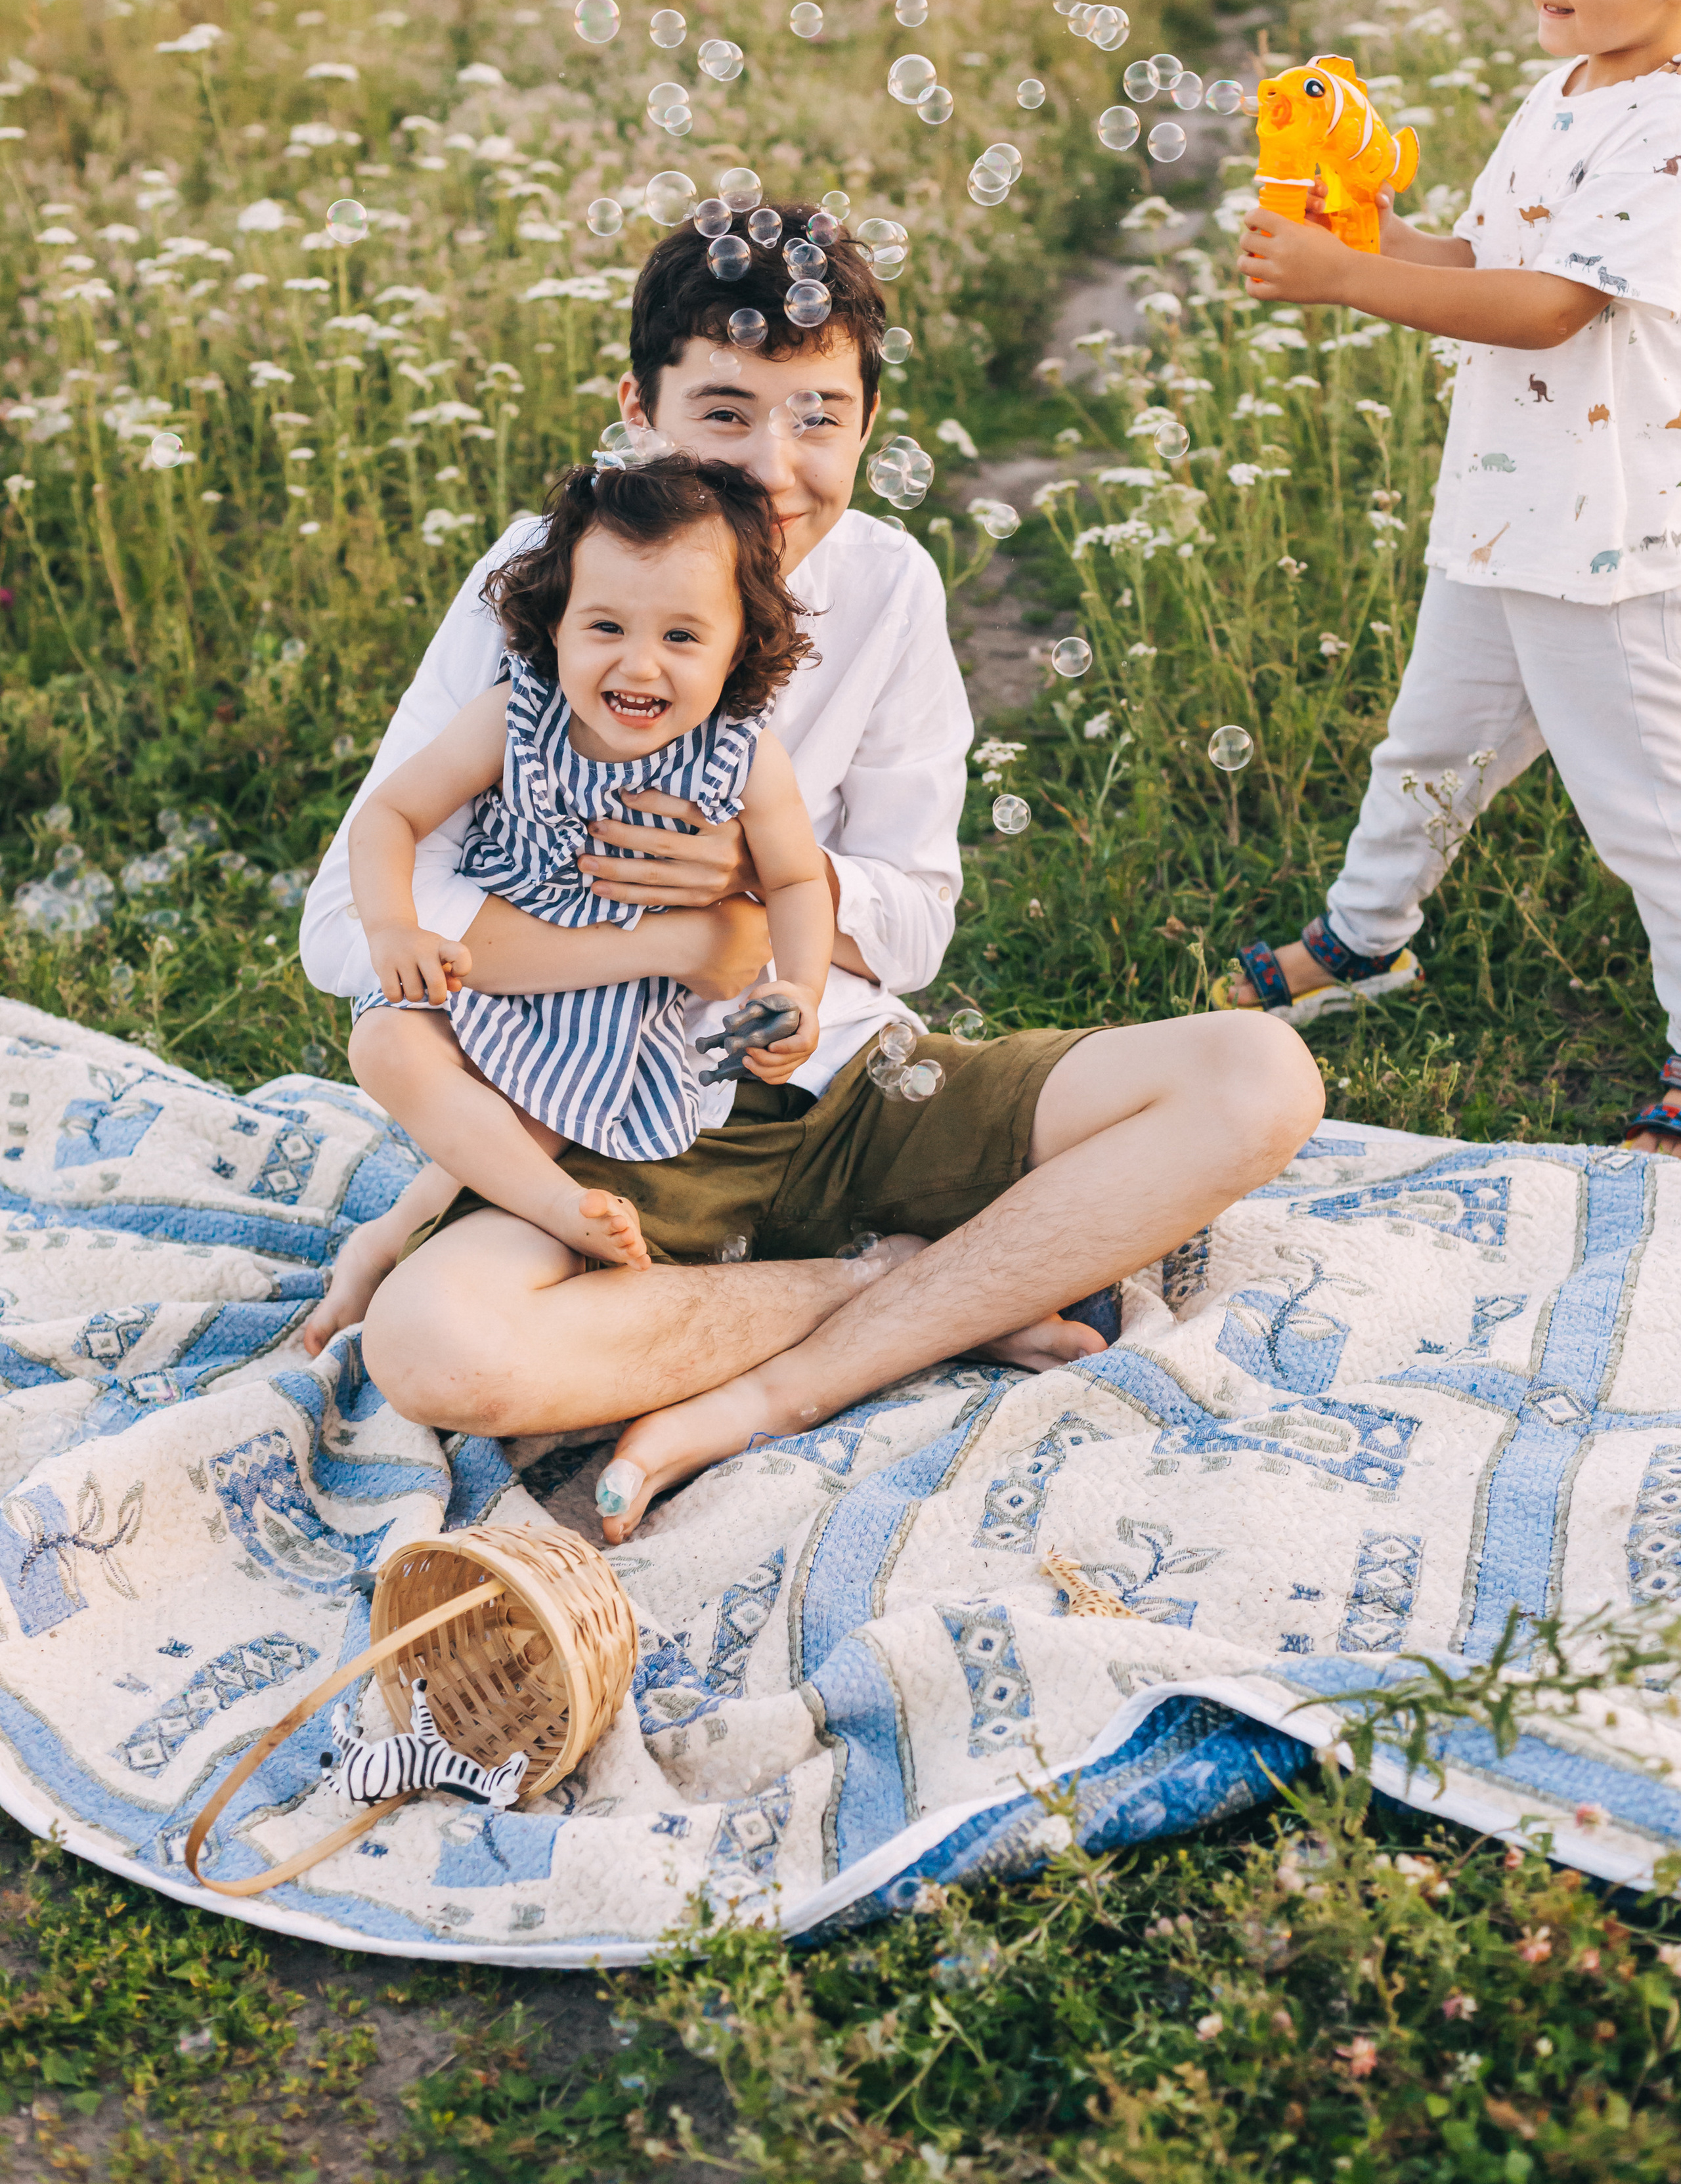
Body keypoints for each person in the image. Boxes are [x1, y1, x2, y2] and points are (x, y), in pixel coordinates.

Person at [299, 198, 1324, 1538]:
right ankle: (905, 1293)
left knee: (1258, 1075)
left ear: (867, 425)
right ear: (636, 410)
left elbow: (916, 915)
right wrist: (677, 947)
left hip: (844, 1082)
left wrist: (775, 893)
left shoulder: (888, 589)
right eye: (723, 412)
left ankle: (779, 1385)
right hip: (607, 1124)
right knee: (436, 1351)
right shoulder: (548, 590)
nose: (774, 467)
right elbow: (347, 927)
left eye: (817, 417)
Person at [1234, 0, 1681, 1159]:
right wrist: (1355, 240)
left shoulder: (1668, 129)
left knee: (1649, 820)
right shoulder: (1560, 91)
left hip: (1603, 546)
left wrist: (1346, 285)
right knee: (1429, 746)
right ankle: (1363, 940)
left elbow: (1549, 307)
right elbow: (1485, 261)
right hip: (1503, 514)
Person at [345, 454, 835, 1274]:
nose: (639, 665)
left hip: (606, 1016)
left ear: (739, 645)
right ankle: (545, 1208)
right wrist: (395, 925)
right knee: (386, 1047)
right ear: (557, 623)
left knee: (537, 1121)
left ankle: (398, 1238)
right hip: (488, 969)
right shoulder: (515, 715)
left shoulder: (745, 758)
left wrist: (801, 990)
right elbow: (388, 815)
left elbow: (795, 879)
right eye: (605, 627)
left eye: (681, 636)